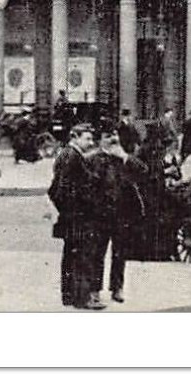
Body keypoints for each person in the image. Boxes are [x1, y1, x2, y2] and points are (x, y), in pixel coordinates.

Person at [49, 123, 104, 309]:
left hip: (71, 216)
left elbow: (54, 190)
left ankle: (70, 296)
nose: (91, 142)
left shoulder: (68, 154)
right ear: (75, 137)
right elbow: (63, 189)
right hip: (79, 217)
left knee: (71, 256)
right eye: (87, 138)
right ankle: (83, 298)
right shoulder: (72, 157)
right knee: (83, 257)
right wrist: (78, 208)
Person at [90, 126, 146, 304]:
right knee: (97, 253)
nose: (113, 139)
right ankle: (94, 290)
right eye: (108, 136)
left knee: (120, 253)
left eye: (115, 135)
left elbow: (143, 171)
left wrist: (125, 157)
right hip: (101, 214)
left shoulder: (124, 158)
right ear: (100, 141)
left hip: (122, 214)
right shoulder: (93, 159)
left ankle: (117, 288)